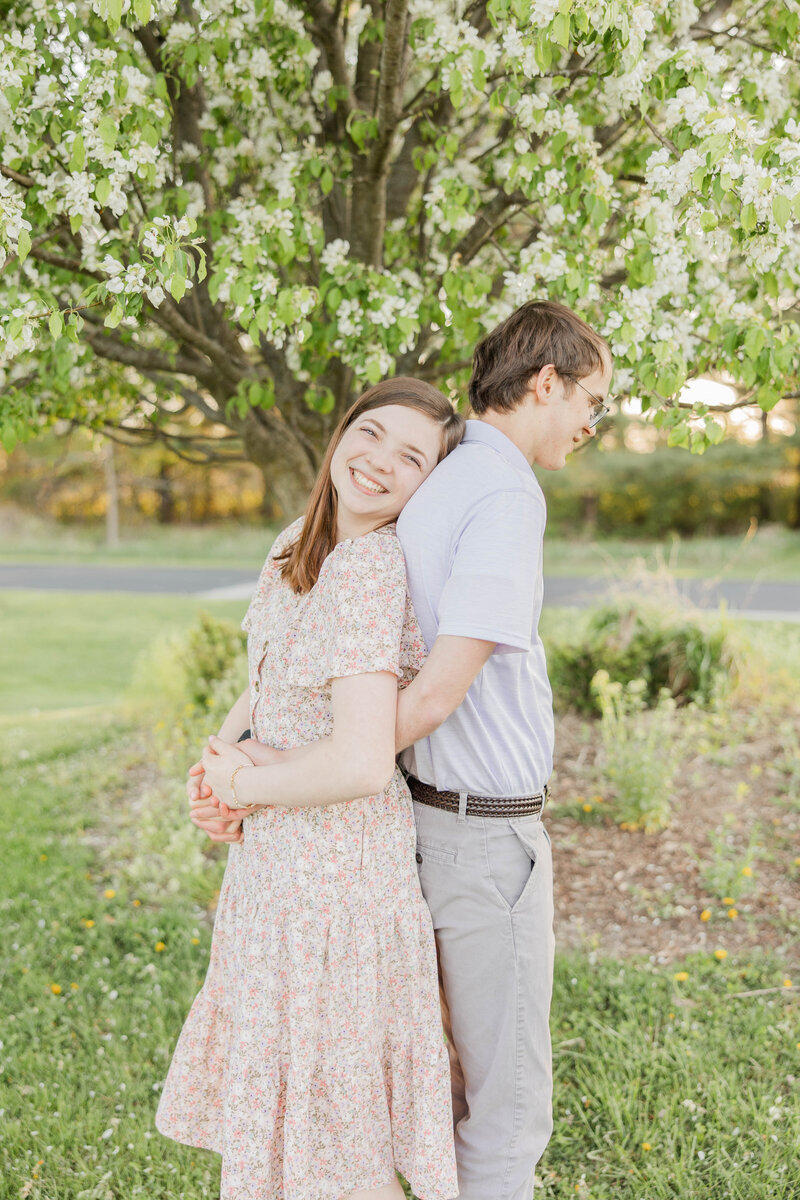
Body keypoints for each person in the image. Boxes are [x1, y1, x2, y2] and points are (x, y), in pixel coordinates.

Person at [199, 299, 613, 1200]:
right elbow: (422, 699)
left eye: (407, 451)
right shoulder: (497, 492)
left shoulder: (447, 484)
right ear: (548, 382)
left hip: (391, 830)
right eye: (594, 401)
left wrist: (258, 772)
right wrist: (255, 772)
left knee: (399, 1086)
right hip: (471, 832)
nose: (590, 423)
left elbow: (339, 705)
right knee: (498, 1106)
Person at [156, 377, 464, 1200]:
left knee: (336, 1131)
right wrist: (218, 770)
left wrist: (248, 784)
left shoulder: (369, 570)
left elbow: (362, 761)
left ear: (428, 485)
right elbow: (265, 684)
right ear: (340, 434)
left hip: (336, 880)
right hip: (277, 869)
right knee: (293, 1116)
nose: (378, 462)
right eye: (371, 433)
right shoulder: (300, 540)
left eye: (412, 457)